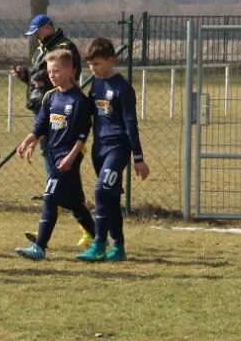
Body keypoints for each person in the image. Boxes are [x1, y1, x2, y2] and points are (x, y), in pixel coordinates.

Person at [13, 14, 91, 250]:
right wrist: (29, 140)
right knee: (74, 202)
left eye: (56, 71)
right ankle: (99, 237)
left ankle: (40, 246)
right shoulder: (50, 95)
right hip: (54, 146)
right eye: (49, 72)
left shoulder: (78, 99)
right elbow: (41, 124)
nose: (51, 75)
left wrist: (72, 155)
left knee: (50, 194)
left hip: (67, 153)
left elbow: (82, 133)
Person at [77, 37, 150, 262]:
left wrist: (138, 157)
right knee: (110, 197)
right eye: (90, 64)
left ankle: (99, 244)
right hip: (99, 148)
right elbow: (87, 111)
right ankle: (118, 247)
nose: (93, 69)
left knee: (100, 191)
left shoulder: (123, 89)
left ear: (111, 60)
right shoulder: (96, 85)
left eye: (97, 64)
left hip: (117, 148)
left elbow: (131, 124)